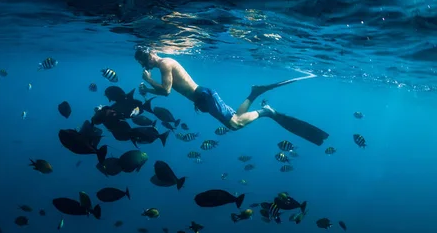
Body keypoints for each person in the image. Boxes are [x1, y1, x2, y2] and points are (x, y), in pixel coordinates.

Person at [134, 46, 329, 146]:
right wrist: (149, 90)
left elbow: (167, 91)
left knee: (234, 124)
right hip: (201, 97)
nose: (145, 66)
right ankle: (254, 93)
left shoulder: (165, 64)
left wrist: (149, 82)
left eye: (144, 61)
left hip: (203, 96)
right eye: (143, 64)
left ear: (150, 54)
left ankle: (266, 111)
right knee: (235, 118)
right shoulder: (163, 64)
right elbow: (169, 89)